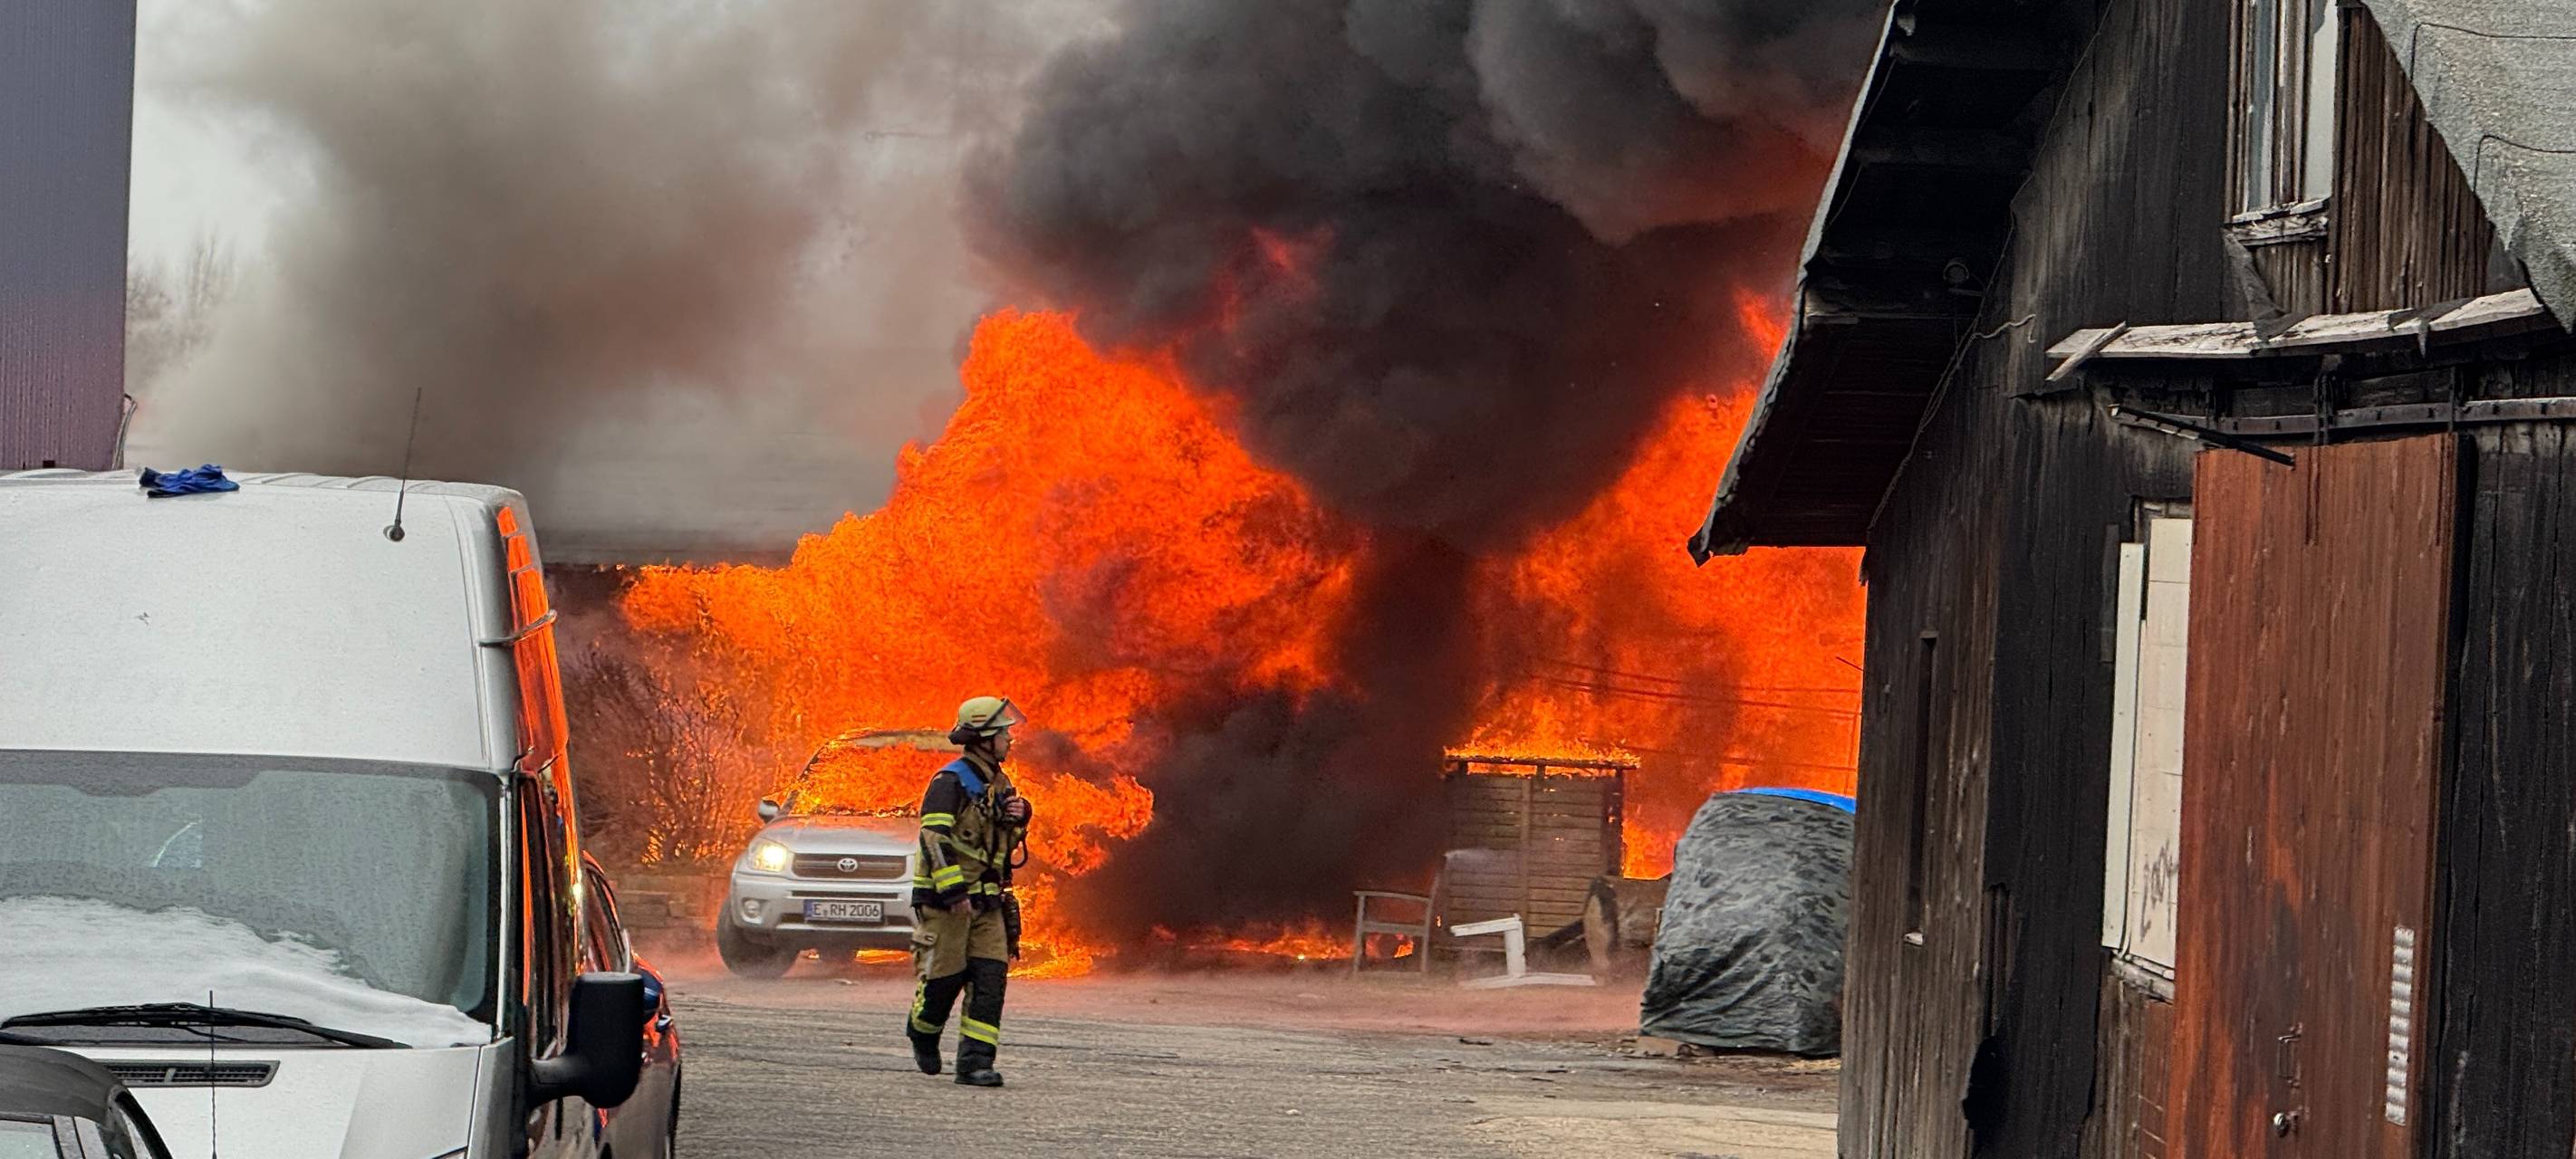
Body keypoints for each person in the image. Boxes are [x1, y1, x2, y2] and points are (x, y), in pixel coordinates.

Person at [906, 695, 1033, 1087]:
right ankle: (922, 1031)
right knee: (945, 980)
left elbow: (1001, 840)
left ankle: (975, 1063)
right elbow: (933, 839)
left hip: (989, 902)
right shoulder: (949, 782)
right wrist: (954, 892)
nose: (1010, 740)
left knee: (990, 978)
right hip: (947, 904)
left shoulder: (1001, 784)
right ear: (983, 738)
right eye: (1004, 734)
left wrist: (1020, 815)